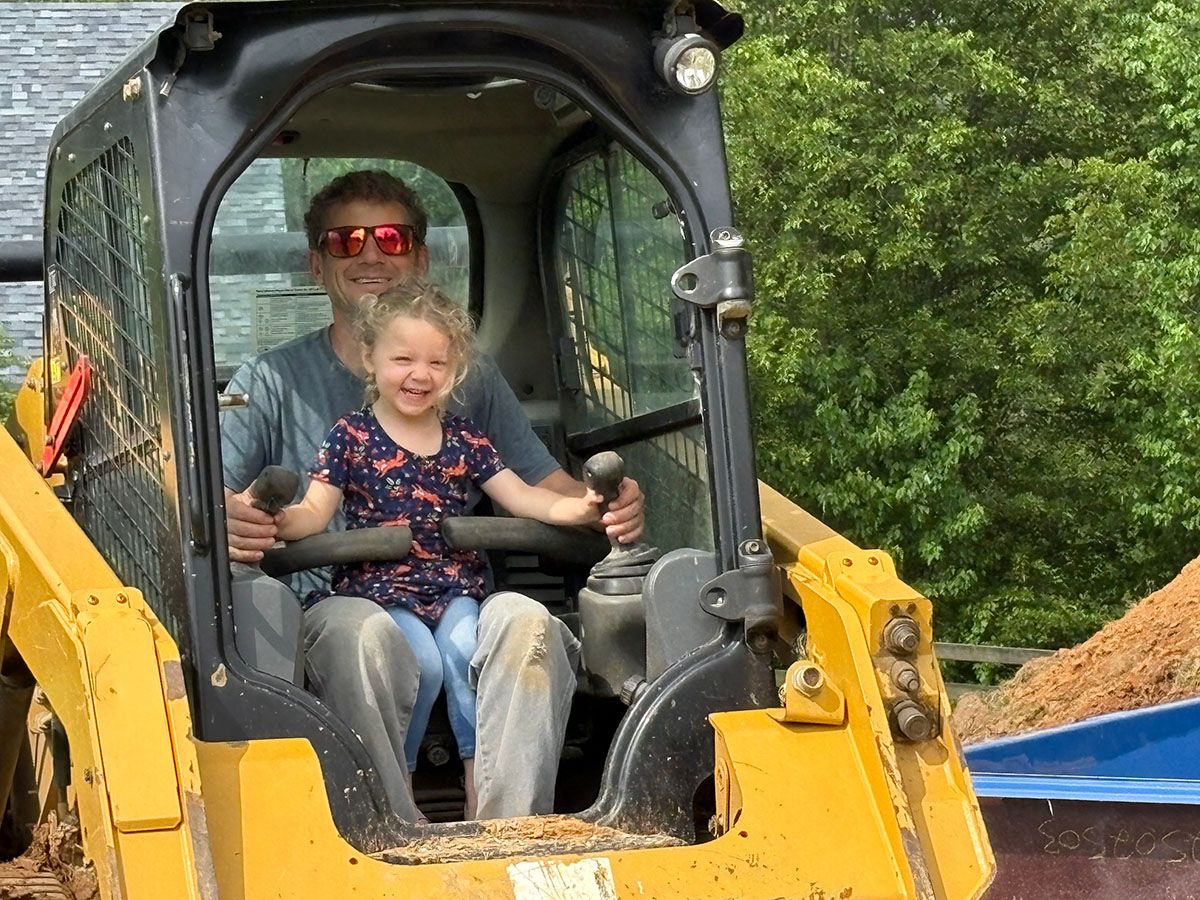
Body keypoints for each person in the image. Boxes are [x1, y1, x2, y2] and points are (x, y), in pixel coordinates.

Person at [220, 169, 644, 822]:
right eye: (345, 241)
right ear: (316, 263)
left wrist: (600, 501)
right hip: (332, 605)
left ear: (419, 258)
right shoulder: (272, 381)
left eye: (390, 238)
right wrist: (234, 515)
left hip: (454, 593)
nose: (368, 253)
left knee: (528, 625)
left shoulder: (469, 391)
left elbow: (536, 487)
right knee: (359, 635)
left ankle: (512, 834)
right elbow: (216, 493)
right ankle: (386, 830)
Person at [275, 279, 604, 818]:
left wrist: (579, 508)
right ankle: (399, 797)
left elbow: (522, 497)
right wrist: (278, 520)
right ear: (370, 359)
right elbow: (313, 513)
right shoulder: (350, 438)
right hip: (382, 592)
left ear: (456, 371)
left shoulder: (465, 439)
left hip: (453, 588)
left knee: (463, 657)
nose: (419, 375)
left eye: (436, 363)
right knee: (421, 663)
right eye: (403, 358)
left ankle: (483, 788)